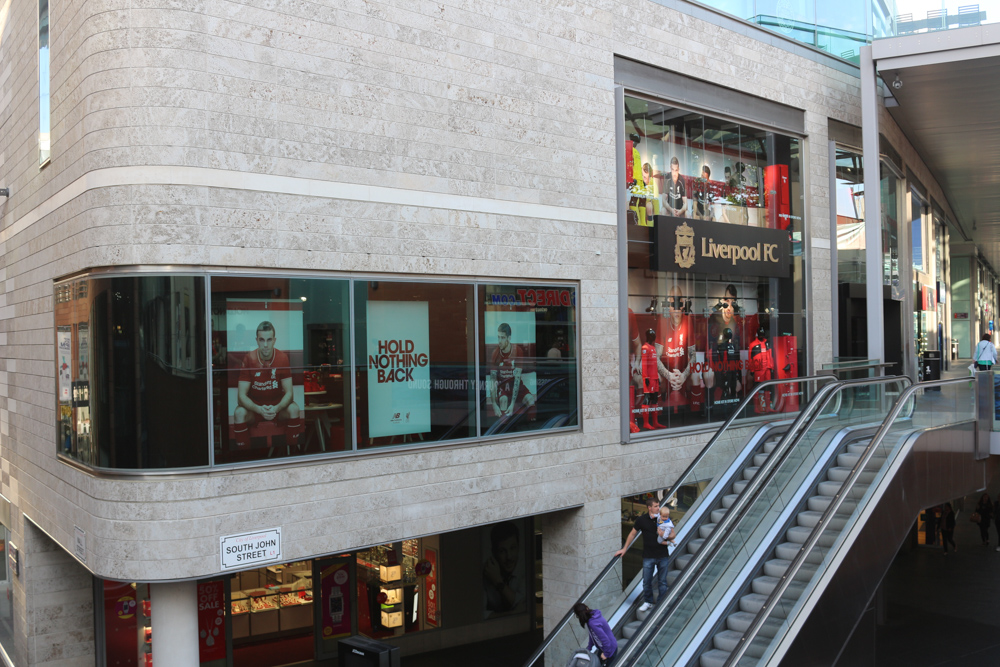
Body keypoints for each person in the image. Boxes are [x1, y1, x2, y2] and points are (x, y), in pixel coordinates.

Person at [233, 321, 303, 449]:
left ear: (274, 340)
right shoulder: (249, 358)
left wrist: (276, 408)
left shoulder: (282, 358)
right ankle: (243, 458)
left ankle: (293, 453)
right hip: (255, 409)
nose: (265, 345)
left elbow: (289, 393)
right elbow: (241, 396)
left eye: (269, 340)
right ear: (257, 340)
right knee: (239, 413)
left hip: (277, 407)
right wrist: (259, 409)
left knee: (294, 408)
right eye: (262, 340)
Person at [615, 497, 671, 611]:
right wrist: (624, 548)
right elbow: (632, 534)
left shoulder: (663, 518)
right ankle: (648, 602)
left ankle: (661, 603)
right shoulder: (641, 520)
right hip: (648, 555)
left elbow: (671, 534)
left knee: (662, 581)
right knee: (646, 581)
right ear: (649, 507)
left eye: (658, 506)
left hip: (662, 555)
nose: (658, 508)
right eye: (655, 506)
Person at [657, 286, 696, 416]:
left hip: (683, 370)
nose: (677, 309)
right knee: (656, 377)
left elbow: (693, 356)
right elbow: (656, 357)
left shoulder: (688, 320)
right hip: (667, 371)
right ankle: (659, 414)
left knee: (696, 376)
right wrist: (669, 376)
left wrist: (683, 376)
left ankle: (695, 414)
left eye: (680, 304)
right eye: (674, 304)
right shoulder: (663, 321)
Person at [490, 323, 536, 417]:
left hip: (517, 386)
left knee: (531, 400)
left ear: (509, 338)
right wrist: (494, 405)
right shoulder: (495, 353)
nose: (499, 341)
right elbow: (492, 380)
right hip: (503, 386)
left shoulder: (517, 351)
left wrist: (512, 404)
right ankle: (503, 428)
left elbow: (517, 378)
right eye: (498, 337)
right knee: (503, 400)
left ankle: (531, 427)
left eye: (502, 338)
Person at [483, 521, 525, 616]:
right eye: (502, 551)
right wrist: (513, 613)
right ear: (494, 553)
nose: (509, 557)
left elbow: (524, 605)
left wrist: (498, 582)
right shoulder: (486, 571)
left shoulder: (524, 569)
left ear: (518, 547)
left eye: (513, 548)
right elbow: (481, 614)